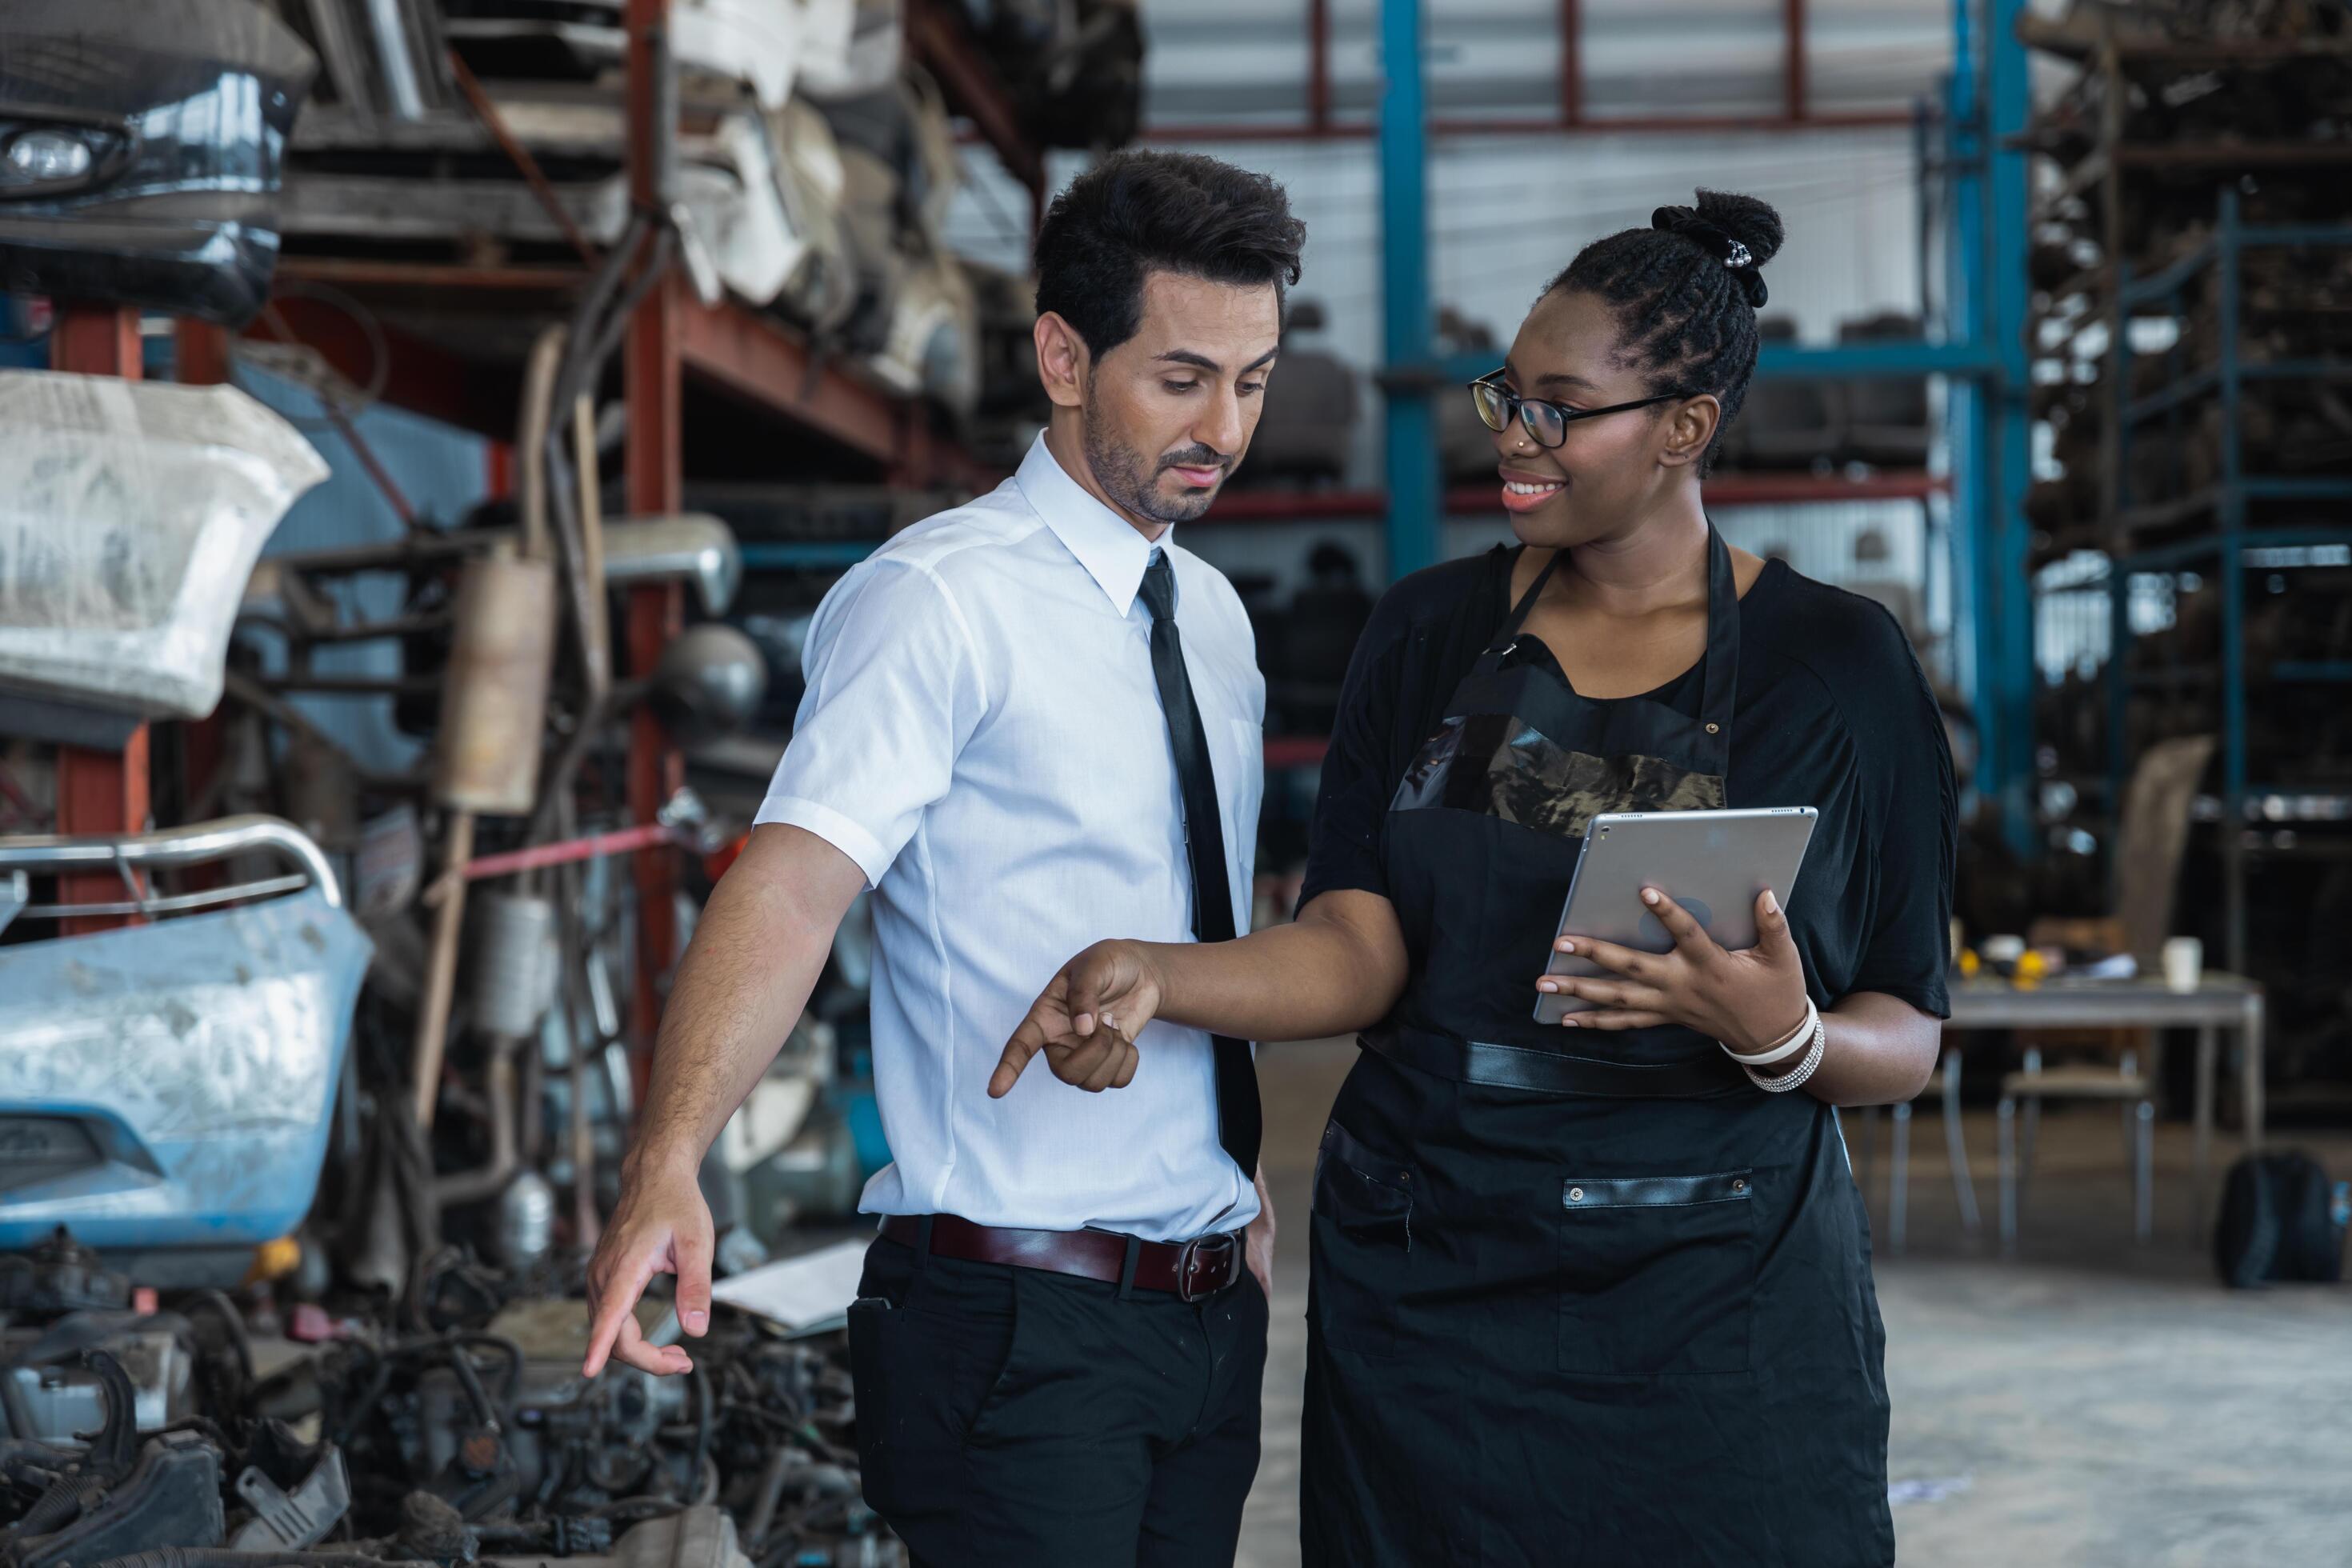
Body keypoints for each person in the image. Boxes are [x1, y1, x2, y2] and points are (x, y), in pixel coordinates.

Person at [995, 189, 1955, 1566]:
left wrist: (1788, 1037)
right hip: (1432, 1283)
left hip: (1716, 1307)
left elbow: (1908, 1029)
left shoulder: (1840, 670)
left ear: (1684, 428)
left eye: (1561, 408)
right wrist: (1169, 974)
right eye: (1508, 393)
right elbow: (1360, 945)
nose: (1512, 435)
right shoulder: (1430, 630)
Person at [581, 150, 1305, 1568]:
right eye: (1182, 378)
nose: (1225, 425)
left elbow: (1193, 918)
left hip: (1207, 1311)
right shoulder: (935, 601)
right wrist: (670, 1156)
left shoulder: (1212, 618)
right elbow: (789, 887)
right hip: (1016, 1327)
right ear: (1061, 357)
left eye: (1256, 380)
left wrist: (1226, 1180)